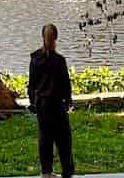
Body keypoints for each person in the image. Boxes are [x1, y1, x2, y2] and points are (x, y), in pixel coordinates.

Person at [29, 23, 74, 178]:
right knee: (63, 139)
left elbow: (32, 84)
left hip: (42, 104)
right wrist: (68, 101)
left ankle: (46, 172)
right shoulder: (59, 60)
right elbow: (65, 84)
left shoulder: (35, 59)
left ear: (42, 37)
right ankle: (67, 172)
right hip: (56, 104)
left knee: (45, 138)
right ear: (56, 37)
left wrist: (32, 102)